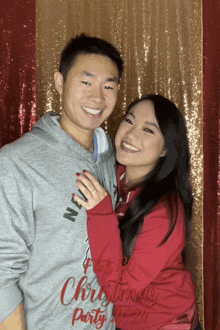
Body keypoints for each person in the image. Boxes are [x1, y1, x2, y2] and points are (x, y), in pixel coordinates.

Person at [0, 34, 123, 329]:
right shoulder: (17, 162)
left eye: (109, 86)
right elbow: (2, 273)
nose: (98, 97)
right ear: (59, 82)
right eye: (86, 82)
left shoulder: (115, 158)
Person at [72, 95, 202, 330]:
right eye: (129, 121)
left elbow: (120, 293)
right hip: (119, 320)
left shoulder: (164, 212)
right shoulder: (115, 175)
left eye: (149, 130)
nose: (131, 134)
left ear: (166, 149)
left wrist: (101, 215)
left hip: (164, 322)